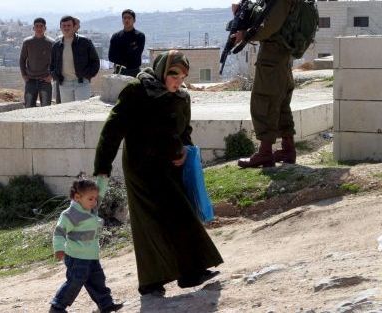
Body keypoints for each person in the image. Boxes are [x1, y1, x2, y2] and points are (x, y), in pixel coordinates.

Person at [94, 50, 223, 296]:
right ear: (163, 70)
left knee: (179, 214)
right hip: (141, 168)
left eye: (183, 76)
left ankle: (179, 275)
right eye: (174, 74)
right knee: (150, 222)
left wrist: (185, 150)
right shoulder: (137, 91)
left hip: (170, 166)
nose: (178, 81)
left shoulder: (181, 97)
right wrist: (102, 168)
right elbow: (112, 130)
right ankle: (165, 279)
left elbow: (184, 131)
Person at [231, 0, 297, 168]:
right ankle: (288, 149)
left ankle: (265, 153)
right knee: (281, 103)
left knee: (263, 101)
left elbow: (269, 27)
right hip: (281, 55)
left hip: (272, 58)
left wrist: (245, 35)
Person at [49, 179, 123, 313]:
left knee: (98, 280)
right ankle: (57, 307)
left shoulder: (90, 208)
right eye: (91, 199)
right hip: (77, 258)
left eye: (95, 199)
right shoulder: (70, 214)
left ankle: (105, 305)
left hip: (92, 256)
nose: (95, 202)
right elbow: (59, 232)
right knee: (75, 282)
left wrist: (103, 177)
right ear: (77, 197)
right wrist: (59, 248)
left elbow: (100, 191)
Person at [50, 15, 100, 103]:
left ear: (74, 26)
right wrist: (55, 75)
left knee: (83, 110)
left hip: (82, 83)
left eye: (69, 25)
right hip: (64, 84)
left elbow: (95, 61)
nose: (66, 28)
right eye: (64, 26)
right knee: (68, 112)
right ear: (60, 27)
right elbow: (51, 64)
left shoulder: (85, 42)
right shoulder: (57, 45)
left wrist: (88, 75)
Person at [20, 17, 55, 107]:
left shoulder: (51, 43)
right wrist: (24, 75)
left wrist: (51, 76)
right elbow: (22, 59)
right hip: (30, 80)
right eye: (37, 26)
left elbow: (56, 62)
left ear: (45, 28)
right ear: (33, 28)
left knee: (46, 107)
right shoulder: (27, 42)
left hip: (45, 81)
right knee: (28, 106)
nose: (39, 28)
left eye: (41, 26)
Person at [108, 9, 145, 77]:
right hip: (119, 72)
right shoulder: (116, 36)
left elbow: (136, 54)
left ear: (134, 20)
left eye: (129, 18)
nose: (126, 20)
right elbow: (111, 56)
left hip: (134, 72)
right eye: (124, 18)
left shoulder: (139, 36)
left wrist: (121, 55)